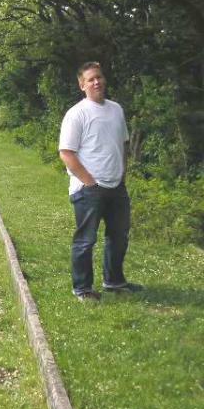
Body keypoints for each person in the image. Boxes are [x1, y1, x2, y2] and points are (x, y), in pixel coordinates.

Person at [59, 61, 143, 302]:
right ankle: (83, 289)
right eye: (91, 79)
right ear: (82, 85)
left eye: (99, 77)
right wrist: (89, 182)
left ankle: (114, 282)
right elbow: (66, 153)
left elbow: (123, 144)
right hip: (89, 190)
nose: (97, 82)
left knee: (119, 237)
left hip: (117, 187)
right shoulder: (77, 113)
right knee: (86, 241)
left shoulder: (116, 109)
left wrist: (122, 175)